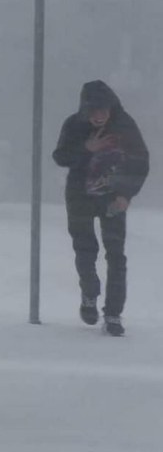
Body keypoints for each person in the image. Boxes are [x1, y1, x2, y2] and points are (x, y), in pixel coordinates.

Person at [53, 80, 149, 336]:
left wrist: (125, 195)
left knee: (116, 255)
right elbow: (60, 156)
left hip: (112, 199)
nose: (98, 116)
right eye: (93, 111)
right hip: (79, 197)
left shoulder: (124, 127)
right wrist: (86, 149)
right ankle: (89, 294)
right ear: (84, 110)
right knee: (85, 250)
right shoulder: (74, 125)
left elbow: (140, 162)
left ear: (111, 108)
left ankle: (114, 313)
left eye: (103, 110)